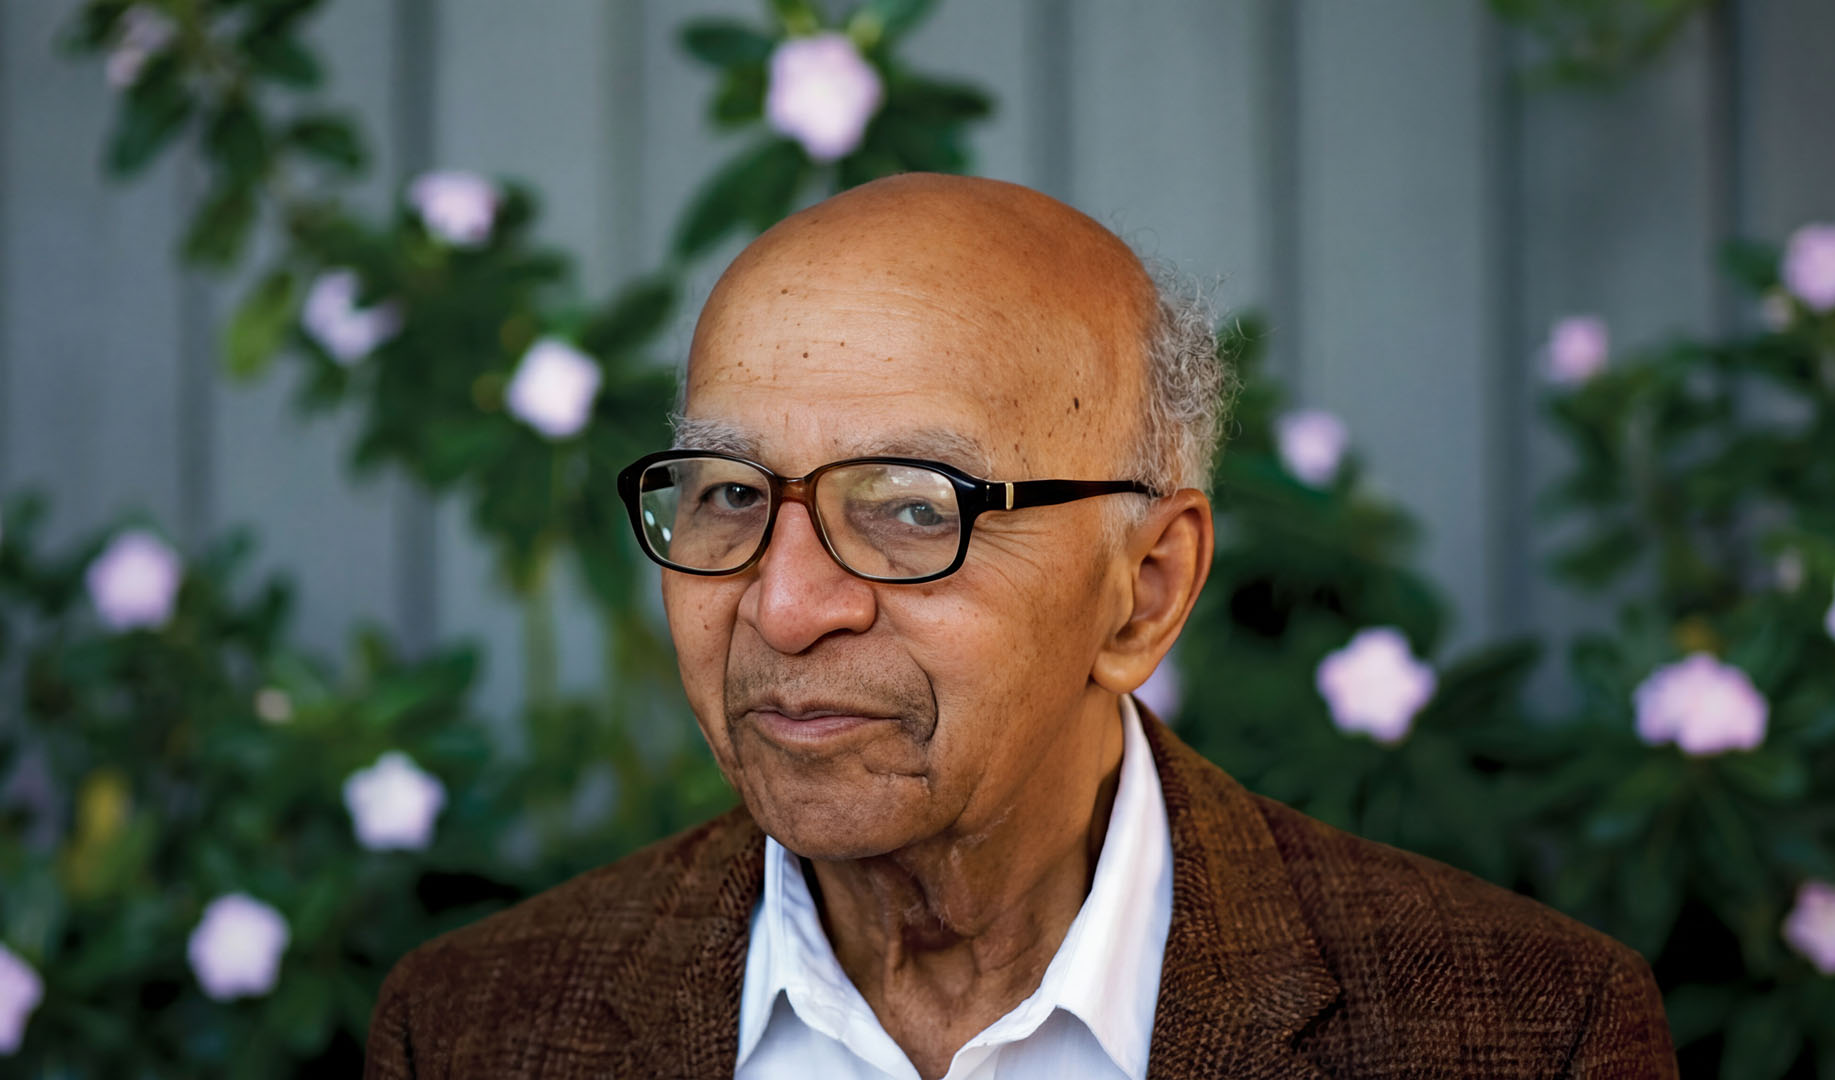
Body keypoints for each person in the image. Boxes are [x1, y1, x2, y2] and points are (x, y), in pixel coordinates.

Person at [363, 173, 1677, 1079]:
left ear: (1145, 589)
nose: (784, 601)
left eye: (909, 509)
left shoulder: (1521, 1032)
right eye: (724, 496)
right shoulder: (475, 1031)